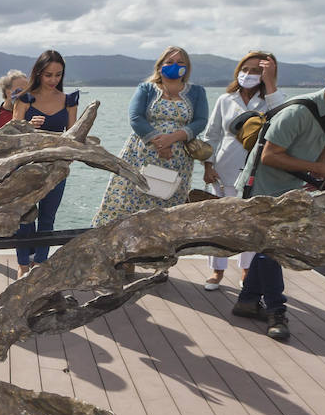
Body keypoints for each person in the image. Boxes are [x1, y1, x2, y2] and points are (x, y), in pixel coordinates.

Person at [232, 62, 325, 340]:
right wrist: (321, 169)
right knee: (272, 250)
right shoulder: (298, 112)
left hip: (292, 188)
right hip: (261, 189)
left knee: (268, 249)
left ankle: (248, 301)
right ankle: (276, 311)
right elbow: (269, 157)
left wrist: (318, 175)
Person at [93, 46, 208, 226]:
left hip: (177, 160)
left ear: (187, 67)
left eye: (180, 62)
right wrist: (158, 142)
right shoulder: (146, 89)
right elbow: (135, 117)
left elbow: (200, 121)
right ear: (160, 65)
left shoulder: (197, 92)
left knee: (168, 200)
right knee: (130, 199)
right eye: (169, 62)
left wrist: (172, 138)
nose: (174, 65)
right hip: (141, 155)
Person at [199, 51, 282, 290]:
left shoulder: (274, 99)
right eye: (245, 69)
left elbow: (280, 117)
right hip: (223, 166)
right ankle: (217, 270)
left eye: (257, 70)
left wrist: (271, 83)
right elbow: (212, 134)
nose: (249, 74)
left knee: (250, 222)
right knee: (220, 221)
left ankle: (247, 269)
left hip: (256, 169)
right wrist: (207, 165)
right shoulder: (226, 100)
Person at [17, 50, 80, 271]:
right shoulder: (24, 98)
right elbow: (11, 136)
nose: (53, 80)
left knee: (47, 218)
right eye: (48, 75)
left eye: (58, 75)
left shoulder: (69, 101)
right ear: (38, 73)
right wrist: (27, 125)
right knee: (24, 217)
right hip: (26, 168)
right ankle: (23, 265)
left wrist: (66, 161)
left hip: (56, 168)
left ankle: (40, 265)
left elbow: (73, 136)